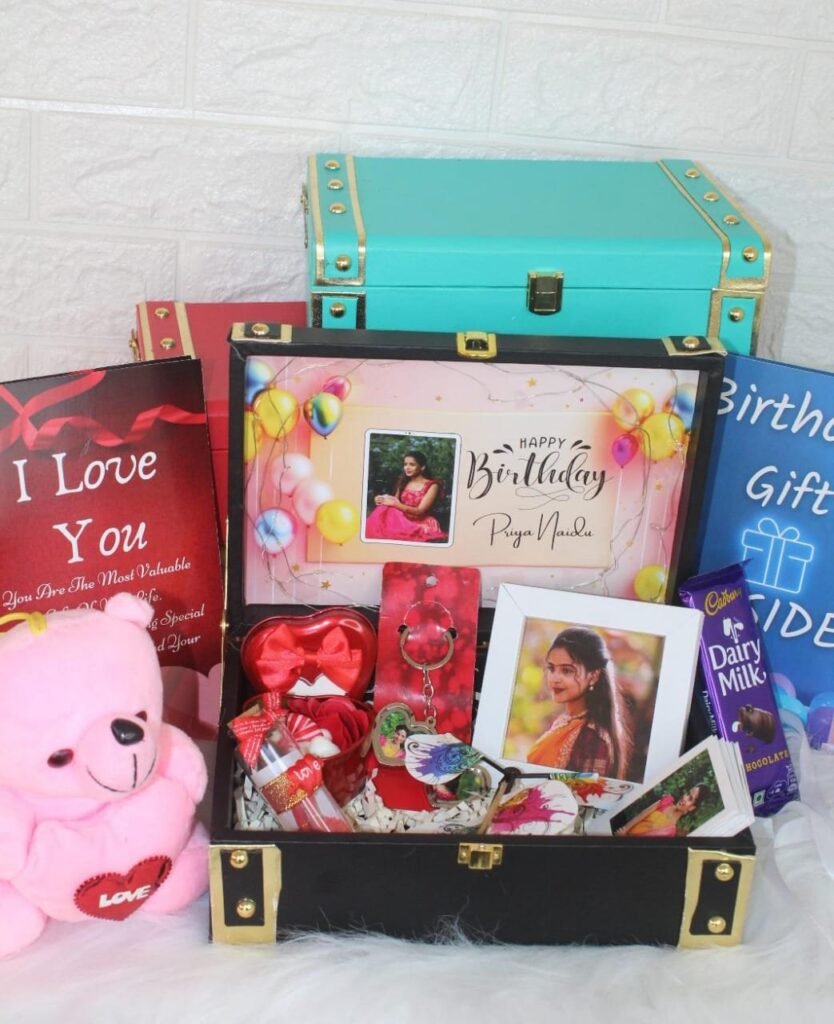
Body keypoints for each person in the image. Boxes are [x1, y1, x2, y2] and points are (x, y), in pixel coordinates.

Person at [526, 626, 633, 779]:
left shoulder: (593, 739)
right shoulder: (564, 722)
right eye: (552, 668)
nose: (555, 678)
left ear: (594, 676)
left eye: (567, 670)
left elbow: (586, 792)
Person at [365, 450, 447, 542]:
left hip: (419, 521)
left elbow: (420, 511)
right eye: (405, 464)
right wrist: (381, 499)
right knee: (384, 507)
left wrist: (394, 504)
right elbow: (396, 500)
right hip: (401, 518)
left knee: (389, 514)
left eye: (412, 464)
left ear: (422, 467)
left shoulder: (432, 485)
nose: (407, 468)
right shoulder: (403, 481)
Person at [614, 782, 709, 837]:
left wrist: (625, 841)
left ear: (692, 807)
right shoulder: (666, 801)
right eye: (688, 793)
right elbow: (640, 816)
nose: (684, 798)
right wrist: (624, 830)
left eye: (690, 799)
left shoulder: (670, 832)